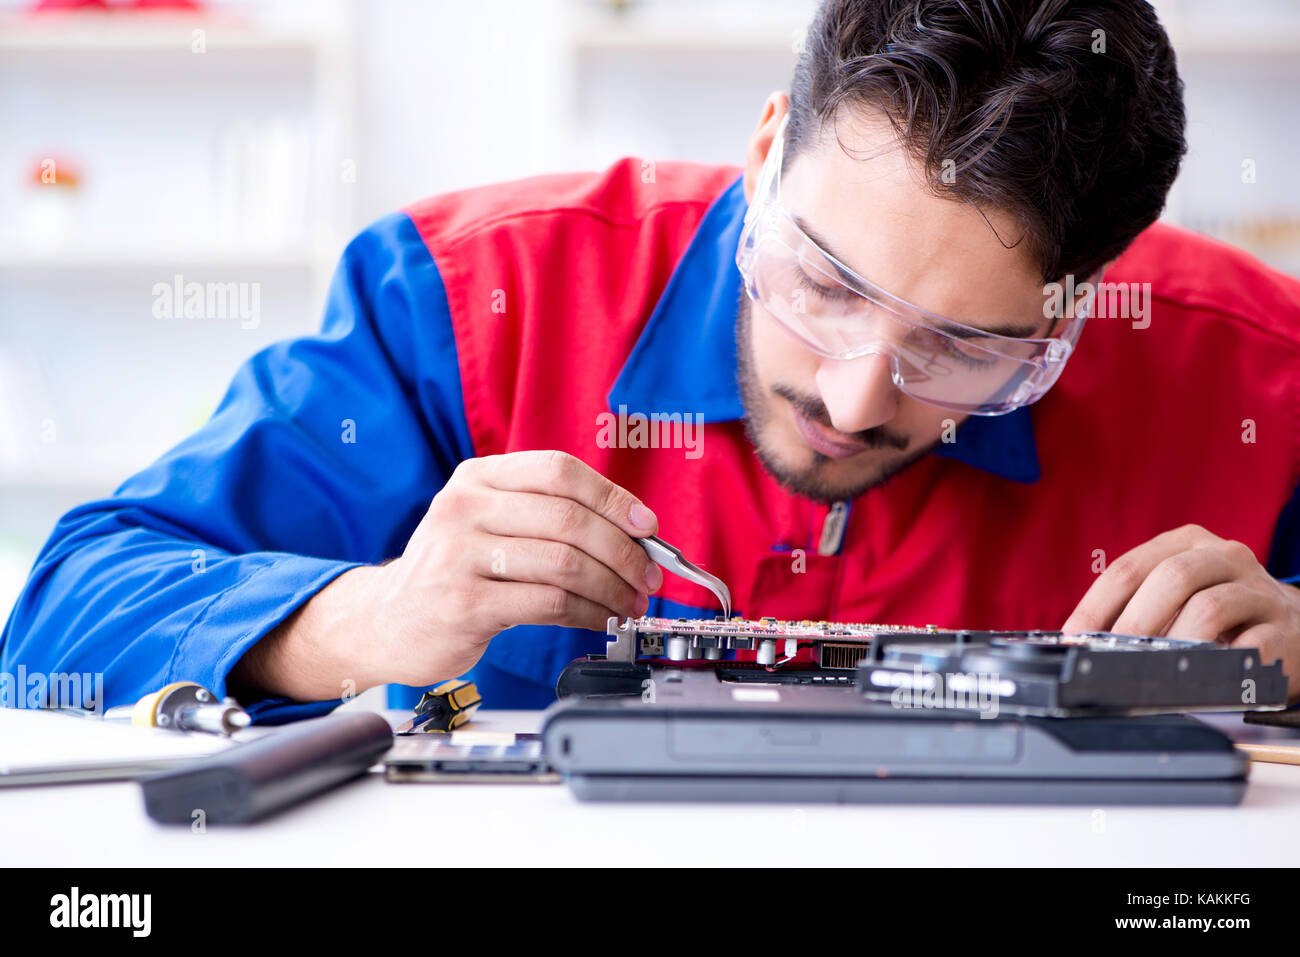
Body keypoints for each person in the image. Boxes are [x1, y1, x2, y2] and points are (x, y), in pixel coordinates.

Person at [4, 0, 1299, 721]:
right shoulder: (468, 294)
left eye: (962, 347)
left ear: (1075, 312)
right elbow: (59, 617)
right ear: (765, 148)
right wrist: (372, 617)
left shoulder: (1258, 374)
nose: (854, 394)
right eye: (825, 283)